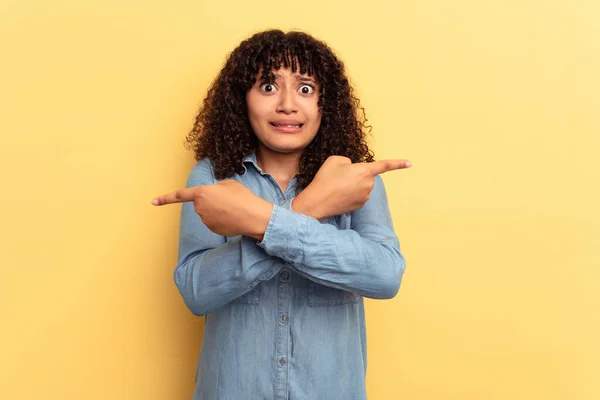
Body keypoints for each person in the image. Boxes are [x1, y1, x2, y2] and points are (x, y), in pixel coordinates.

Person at [152, 29, 411, 400]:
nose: (288, 105)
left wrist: (262, 223)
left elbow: (385, 275)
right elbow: (196, 290)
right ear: (242, 99)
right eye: (268, 87)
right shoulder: (212, 178)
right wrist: (311, 209)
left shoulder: (356, 182)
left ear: (327, 103)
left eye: (305, 88)